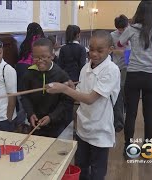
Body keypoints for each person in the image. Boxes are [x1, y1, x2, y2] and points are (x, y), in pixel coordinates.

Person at [47, 30, 120, 180]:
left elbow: (90, 99)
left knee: (97, 172)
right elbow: (80, 97)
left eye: (100, 50)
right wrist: (71, 88)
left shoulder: (111, 70)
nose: (94, 54)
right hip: (83, 128)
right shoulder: (85, 68)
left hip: (100, 129)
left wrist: (64, 89)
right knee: (81, 166)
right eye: (91, 49)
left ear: (110, 49)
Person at [118, 0, 152, 158]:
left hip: (133, 76)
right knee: (149, 114)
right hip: (151, 77)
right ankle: (147, 150)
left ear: (139, 11)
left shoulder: (131, 29)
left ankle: (128, 149)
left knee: (131, 113)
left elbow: (119, 43)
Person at [20, 38, 71, 138]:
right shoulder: (28, 74)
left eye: (43, 57)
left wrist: (51, 117)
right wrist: (30, 113)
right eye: (35, 57)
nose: (39, 61)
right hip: (35, 122)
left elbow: (66, 102)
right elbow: (25, 96)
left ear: (52, 56)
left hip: (56, 124)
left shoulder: (61, 75)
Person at [58, 25, 87, 127]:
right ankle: (75, 126)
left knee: (66, 104)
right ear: (78, 35)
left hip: (65, 80)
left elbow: (60, 66)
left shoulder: (63, 49)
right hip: (77, 80)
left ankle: (66, 126)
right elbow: (82, 66)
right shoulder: (81, 48)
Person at [110, 14, 130, 132]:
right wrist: (120, 52)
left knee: (124, 90)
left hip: (128, 67)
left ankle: (123, 113)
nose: (121, 31)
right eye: (119, 28)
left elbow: (131, 54)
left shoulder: (131, 33)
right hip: (116, 66)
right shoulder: (113, 35)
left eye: (123, 28)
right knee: (118, 91)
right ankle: (118, 118)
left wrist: (119, 52)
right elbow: (111, 50)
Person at [16, 22, 45, 91]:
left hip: (20, 66)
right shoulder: (41, 41)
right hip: (31, 66)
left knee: (22, 90)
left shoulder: (26, 41)